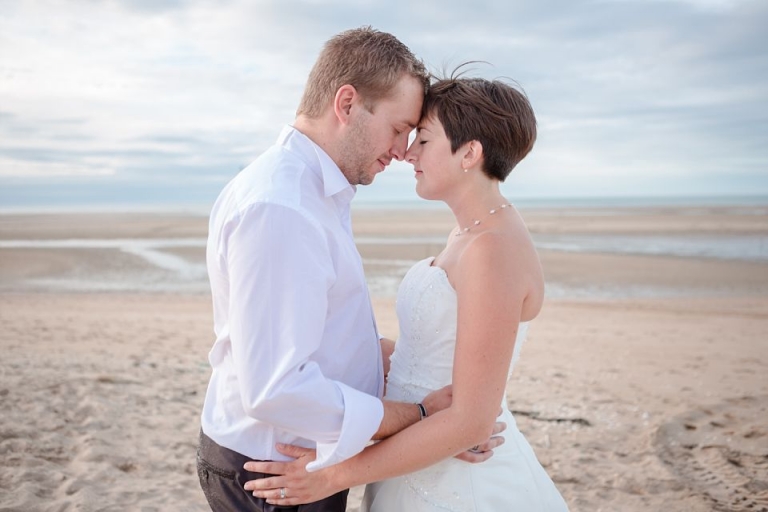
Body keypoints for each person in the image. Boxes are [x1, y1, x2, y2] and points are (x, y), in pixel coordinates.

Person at [197, 29, 503, 512]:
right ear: (347, 104)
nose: (404, 150)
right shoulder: (284, 208)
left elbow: (333, 341)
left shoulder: (314, 194)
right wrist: (415, 417)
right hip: (275, 473)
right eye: (401, 127)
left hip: (300, 457)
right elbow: (276, 388)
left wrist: (442, 425)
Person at [242, 72, 570, 510]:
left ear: (469, 153)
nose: (407, 152)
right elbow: (434, 352)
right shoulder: (469, 234)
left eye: (424, 140)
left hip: (457, 483)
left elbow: (472, 422)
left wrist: (332, 476)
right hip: (418, 458)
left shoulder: (493, 249)